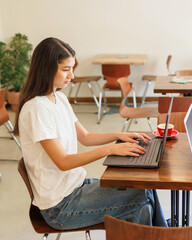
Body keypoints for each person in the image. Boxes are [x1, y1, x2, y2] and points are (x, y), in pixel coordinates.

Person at [14, 37, 167, 230]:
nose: (72, 75)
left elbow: (85, 137)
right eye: (66, 69)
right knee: (141, 196)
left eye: (72, 68)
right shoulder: (36, 109)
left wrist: (118, 136)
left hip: (75, 187)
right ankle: (165, 233)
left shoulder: (59, 98)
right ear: (46, 68)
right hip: (60, 206)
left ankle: (164, 234)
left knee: (142, 193)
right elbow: (63, 162)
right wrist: (110, 149)